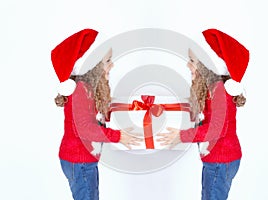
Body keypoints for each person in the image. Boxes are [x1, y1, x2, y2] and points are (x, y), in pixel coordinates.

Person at [157, 29, 249, 200]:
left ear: (208, 66)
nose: (188, 65)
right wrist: (169, 107)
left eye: (192, 61)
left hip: (220, 162)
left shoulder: (219, 91)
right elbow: (205, 113)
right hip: (220, 161)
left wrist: (180, 135)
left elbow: (215, 129)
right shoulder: (213, 90)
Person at [51, 29, 142, 200]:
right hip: (79, 162)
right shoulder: (80, 91)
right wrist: (119, 136)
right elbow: (86, 129)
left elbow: (95, 116)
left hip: (82, 161)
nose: (112, 65)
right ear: (92, 66)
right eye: (107, 61)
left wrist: (127, 107)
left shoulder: (87, 89)